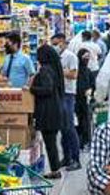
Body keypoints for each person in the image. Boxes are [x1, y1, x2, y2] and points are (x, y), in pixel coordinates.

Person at [31, 44, 65, 179]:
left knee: (50, 143)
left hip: (48, 113)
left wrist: (31, 89)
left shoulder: (45, 70)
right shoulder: (53, 68)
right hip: (54, 110)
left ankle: (55, 170)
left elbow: (47, 88)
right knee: (51, 143)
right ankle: (55, 169)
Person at [51, 33, 83, 171]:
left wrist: (59, 71)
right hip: (58, 93)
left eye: (56, 43)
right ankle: (67, 157)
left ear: (63, 42)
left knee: (69, 127)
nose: (55, 46)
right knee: (63, 127)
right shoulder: (57, 57)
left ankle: (76, 159)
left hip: (68, 94)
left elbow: (74, 75)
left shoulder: (71, 56)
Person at [75, 47, 95, 147]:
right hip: (76, 100)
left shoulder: (88, 71)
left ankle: (85, 140)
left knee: (85, 121)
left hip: (85, 101)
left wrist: (91, 90)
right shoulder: (75, 70)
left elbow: (93, 84)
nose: (86, 60)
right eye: (85, 57)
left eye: (88, 57)